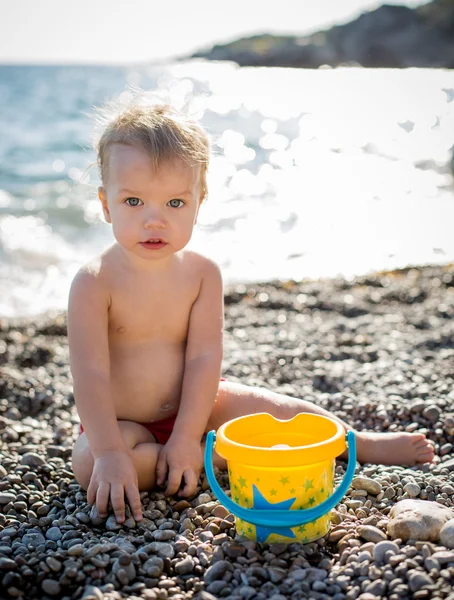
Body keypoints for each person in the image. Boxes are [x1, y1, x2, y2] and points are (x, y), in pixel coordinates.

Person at [69, 98, 435, 525]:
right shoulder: (94, 281)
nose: (155, 221)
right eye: (134, 202)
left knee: (277, 408)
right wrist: (112, 452)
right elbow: (90, 375)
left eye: (174, 204)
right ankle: (218, 454)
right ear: (106, 203)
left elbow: (204, 357)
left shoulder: (202, 273)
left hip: (198, 403)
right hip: (122, 422)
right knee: (91, 467)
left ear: (199, 202)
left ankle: (355, 442)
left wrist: (186, 433)